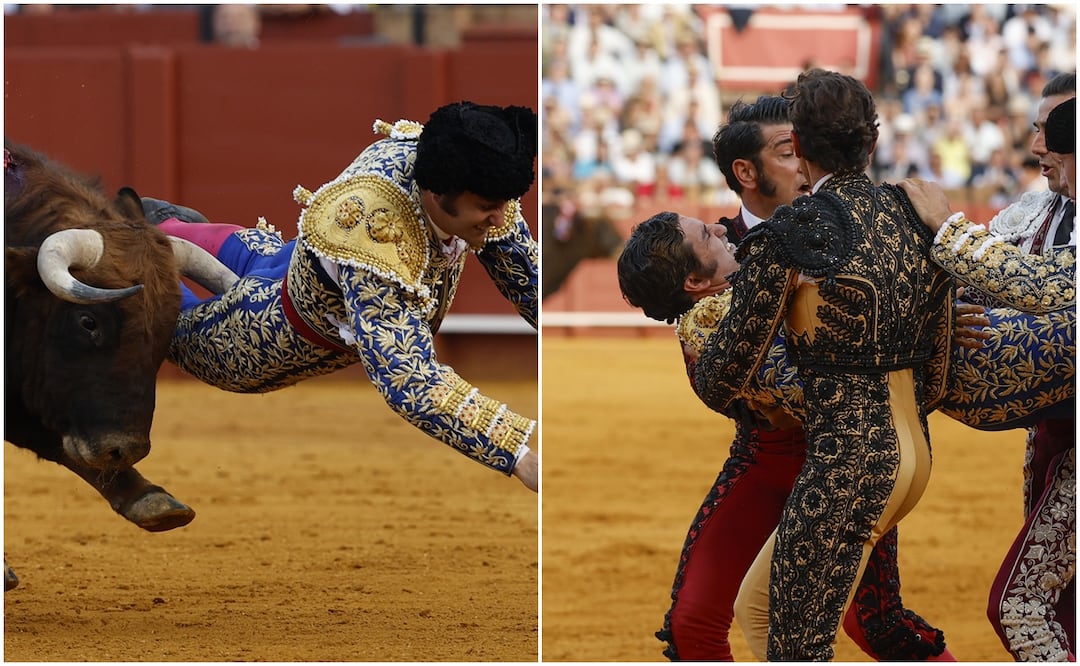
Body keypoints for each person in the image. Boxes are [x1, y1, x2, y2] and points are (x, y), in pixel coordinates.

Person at [621, 95, 954, 661]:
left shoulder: (855, 221)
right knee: (695, 624)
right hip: (773, 454)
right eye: (786, 150)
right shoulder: (716, 250)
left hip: (854, 447)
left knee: (874, 620)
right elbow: (719, 382)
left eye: (801, 147)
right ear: (747, 172)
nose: (802, 161)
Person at [149, 101, 539, 493]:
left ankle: (166, 225)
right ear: (437, 194)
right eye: (487, 208)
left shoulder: (457, 165)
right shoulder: (377, 240)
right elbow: (409, 377)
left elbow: (529, 281)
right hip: (270, 331)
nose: (500, 218)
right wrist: (518, 455)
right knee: (163, 324)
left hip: (299, 262)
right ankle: (132, 251)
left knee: (258, 257)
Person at [898, 101, 1075, 659]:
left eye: (1053, 134)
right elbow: (982, 276)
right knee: (1058, 601)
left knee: (1024, 605)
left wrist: (945, 226)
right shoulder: (1037, 208)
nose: (1038, 148)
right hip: (1057, 426)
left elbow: (1041, 285)